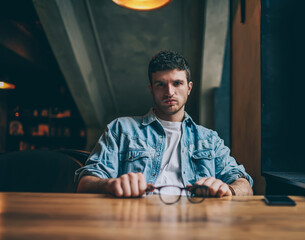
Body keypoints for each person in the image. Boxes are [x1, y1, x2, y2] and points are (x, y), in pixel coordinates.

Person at [75, 50, 253, 198]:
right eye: (160, 84)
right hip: (135, 220)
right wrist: (111, 184)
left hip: (197, 222)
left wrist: (228, 190)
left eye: (177, 83)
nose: (169, 92)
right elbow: (85, 183)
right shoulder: (121, 129)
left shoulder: (209, 139)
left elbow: (245, 185)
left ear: (189, 88)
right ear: (151, 89)